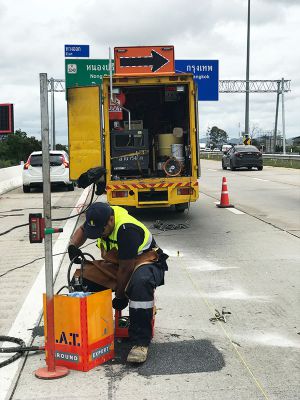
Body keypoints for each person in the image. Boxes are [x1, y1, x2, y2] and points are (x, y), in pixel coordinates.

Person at [68, 202, 168, 363]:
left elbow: (126, 270)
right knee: (82, 277)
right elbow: (83, 229)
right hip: (119, 264)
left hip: (145, 262)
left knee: (140, 283)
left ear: (111, 221)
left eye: (101, 231)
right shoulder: (100, 217)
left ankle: (140, 342)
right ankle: (89, 331)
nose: (99, 234)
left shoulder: (126, 230)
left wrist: (121, 296)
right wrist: (72, 246)